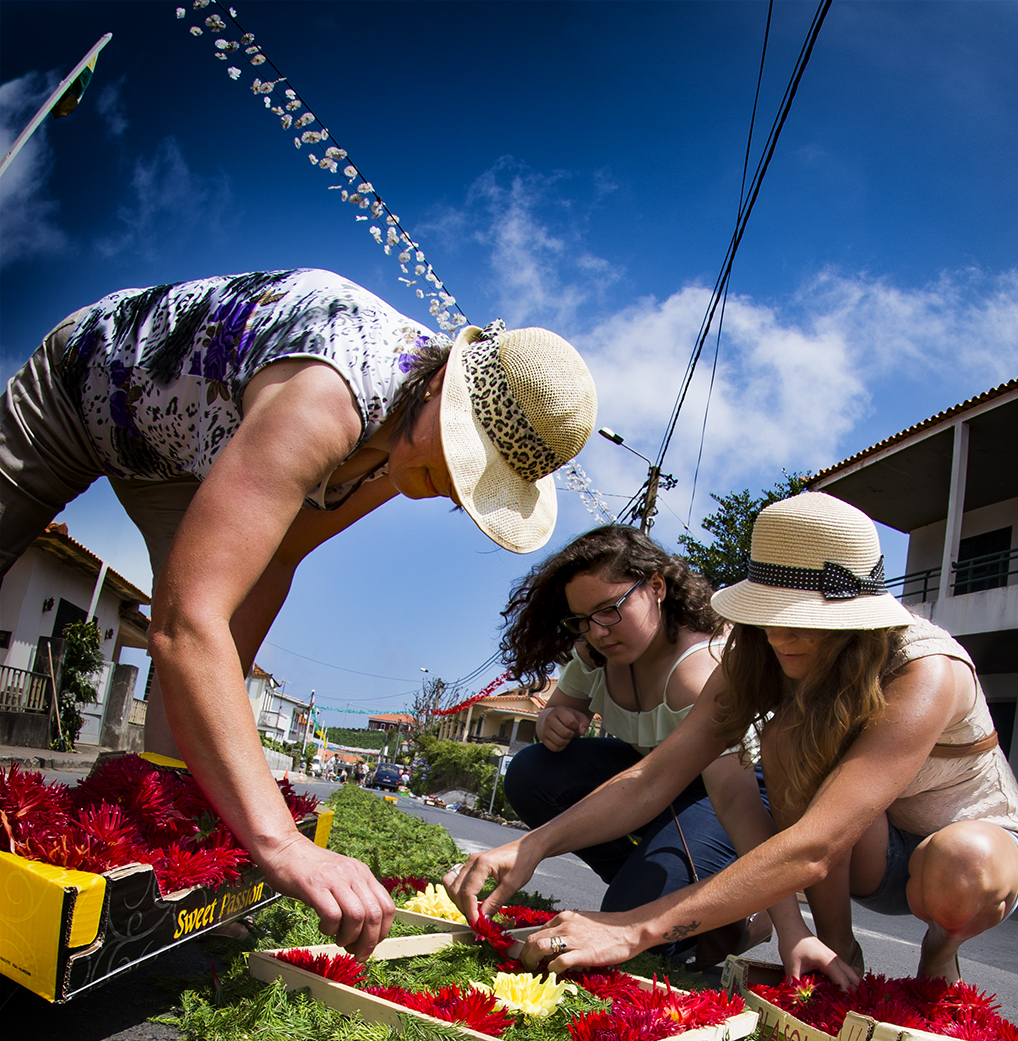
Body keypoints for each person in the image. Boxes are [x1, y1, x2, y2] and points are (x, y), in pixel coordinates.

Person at [0, 268, 597, 956]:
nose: (459, 493)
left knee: (182, 739)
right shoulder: (329, 399)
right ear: (441, 385)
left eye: (482, 482)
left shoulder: (399, 452)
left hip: (191, 457)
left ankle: (162, 832)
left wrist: (204, 794)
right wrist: (279, 841)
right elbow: (185, 622)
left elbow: (272, 563)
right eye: (468, 458)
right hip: (91, 388)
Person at [446, 492, 1018, 986]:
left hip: (954, 850)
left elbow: (814, 845)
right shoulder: (758, 650)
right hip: (861, 845)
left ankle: (940, 951)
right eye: (769, 611)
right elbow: (656, 777)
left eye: (804, 617)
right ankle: (839, 955)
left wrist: (634, 928)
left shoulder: (925, 668)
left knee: (964, 862)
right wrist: (532, 847)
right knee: (787, 739)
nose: (781, 634)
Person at [495, 523, 794, 967]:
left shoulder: (700, 671)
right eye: (582, 620)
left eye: (609, 610)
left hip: (727, 791)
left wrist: (786, 920)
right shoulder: (594, 654)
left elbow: (732, 799)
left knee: (628, 930)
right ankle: (658, 888)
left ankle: (741, 921)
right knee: (531, 770)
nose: (597, 631)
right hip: (647, 782)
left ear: (656, 586)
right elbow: (558, 709)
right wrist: (552, 721)